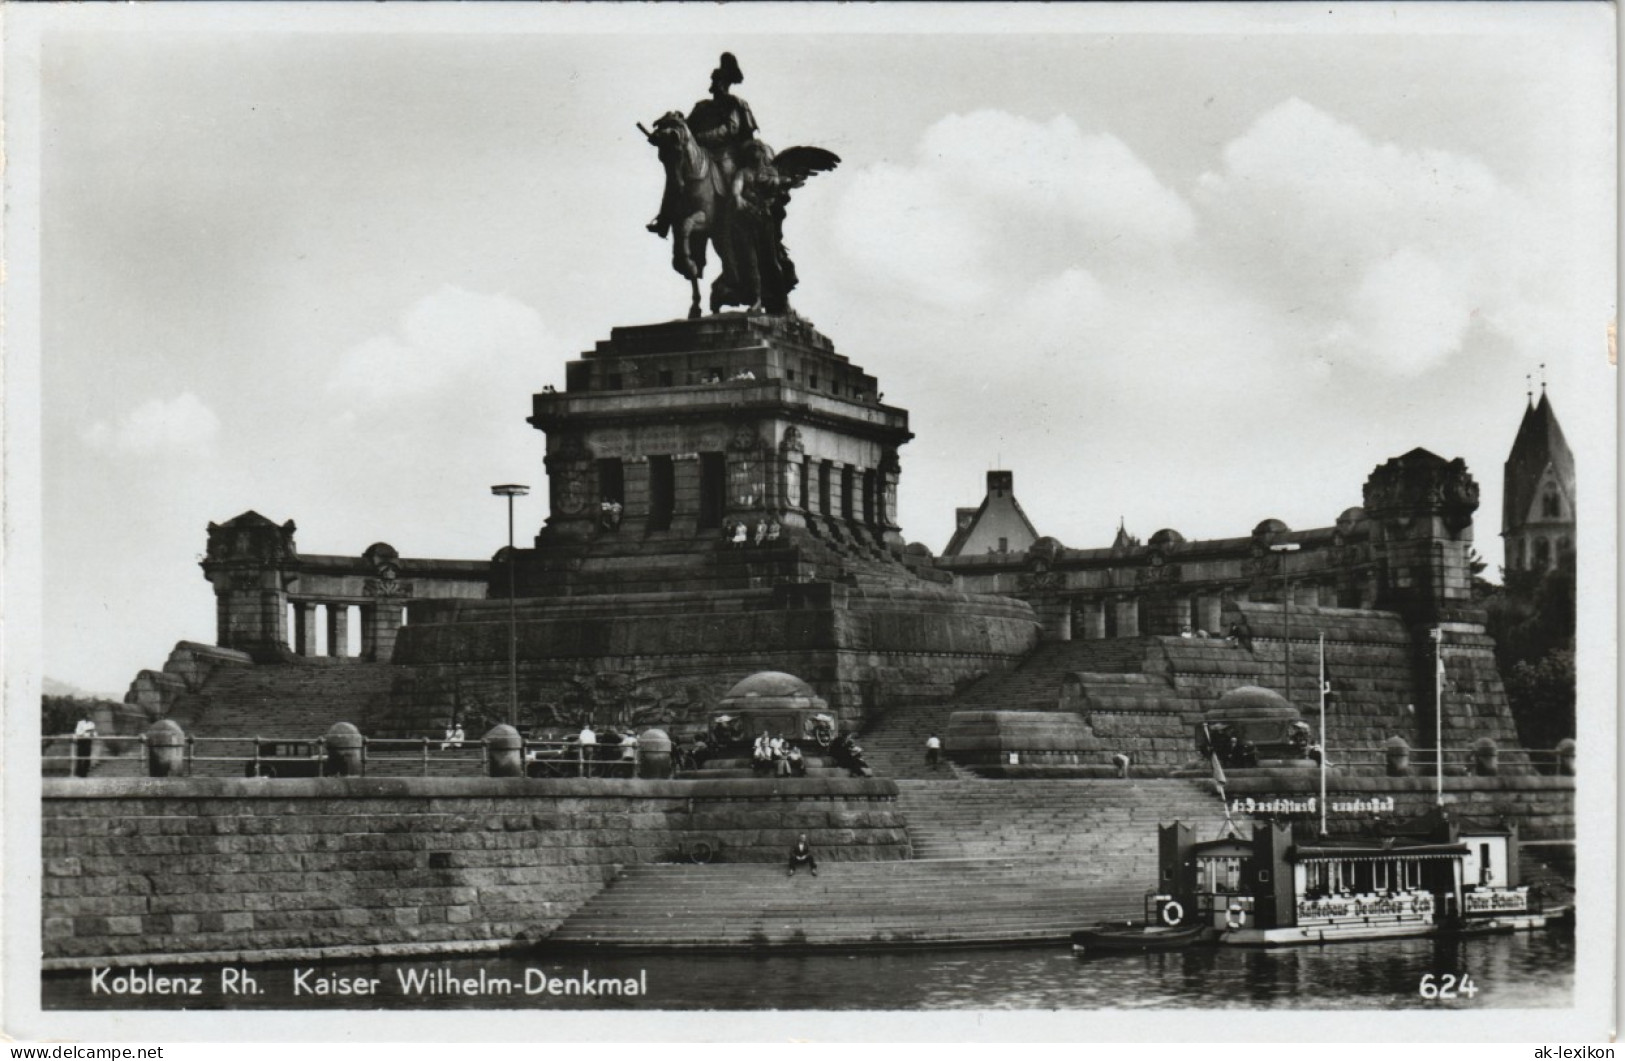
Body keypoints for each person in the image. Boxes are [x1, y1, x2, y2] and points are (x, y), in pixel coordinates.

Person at [649, 52, 758, 238]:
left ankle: (735, 216)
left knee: (729, 180)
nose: (715, 85)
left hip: (725, 155)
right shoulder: (702, 107)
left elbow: (730, 129)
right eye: (714, 81)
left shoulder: (735, 104)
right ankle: (664, 219)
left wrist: (702, 137)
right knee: (675, 177)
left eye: (718, 81)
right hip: (701, 154)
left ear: (725, 83)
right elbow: (688, 128)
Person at [73, 714, 97, 778]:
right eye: (88, 717)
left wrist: (92, 734)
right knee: (80, 756)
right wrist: (86, 732)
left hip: (88, 741)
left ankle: (85, 772)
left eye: (90, 717)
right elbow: (78, 732)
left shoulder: (92, 724)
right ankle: (79, 772)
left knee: (87, 757)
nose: (89, 718)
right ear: (85, 717)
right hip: (81, 741)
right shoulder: (80, 723)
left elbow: (94, 733)